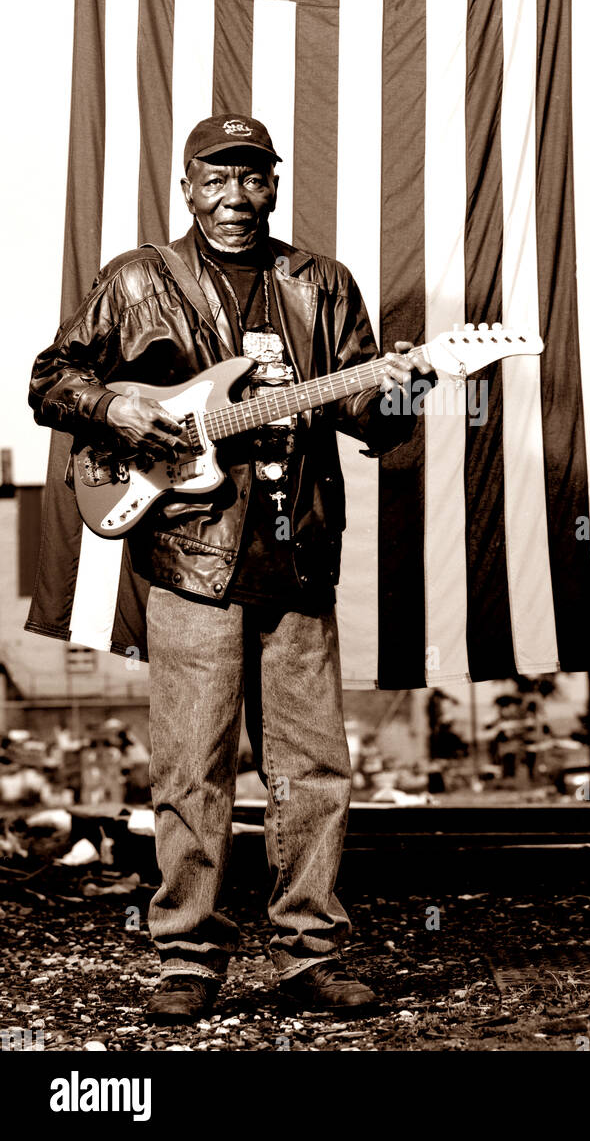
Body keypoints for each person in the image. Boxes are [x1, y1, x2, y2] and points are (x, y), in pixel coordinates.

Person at [29, 113, 434, 1023]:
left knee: (314, 771)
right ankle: (186, 958)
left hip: (298, 553)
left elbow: (372, 421)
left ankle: (309, 955)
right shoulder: (139, 280)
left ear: (275, 185)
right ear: (187, 187)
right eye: (217, 178)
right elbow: (50, 380)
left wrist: (401, 387)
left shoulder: (321, 284)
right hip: (188, 555)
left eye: (252, 178)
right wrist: (119, 410)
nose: (235, 196)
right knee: (192, 768)